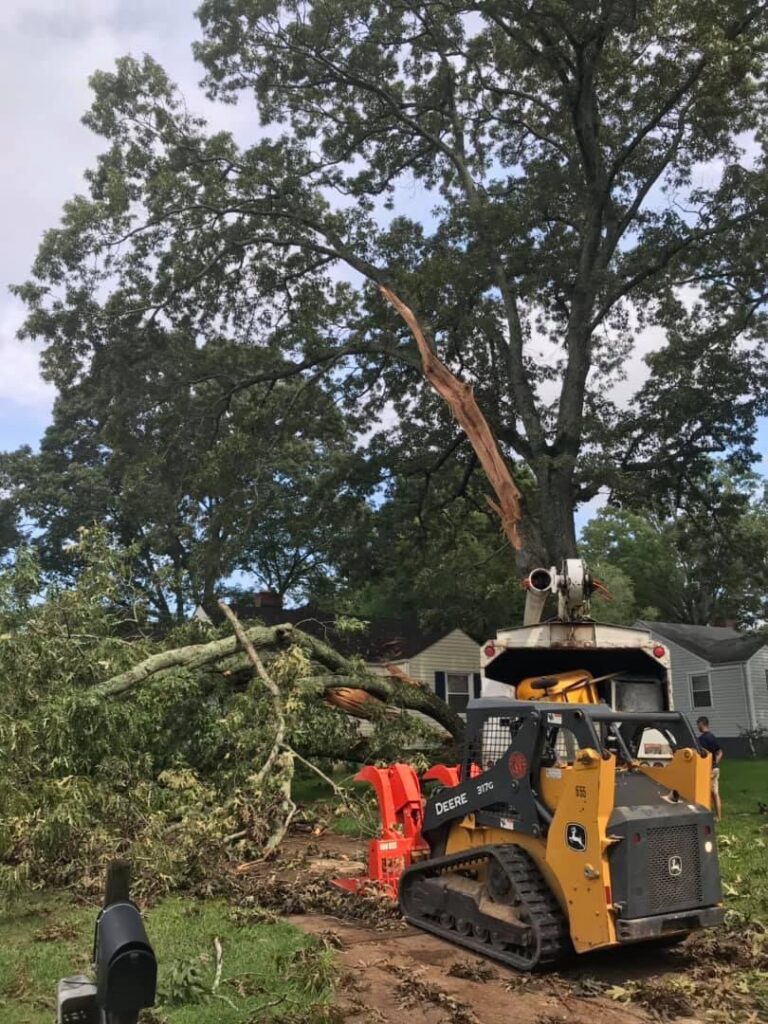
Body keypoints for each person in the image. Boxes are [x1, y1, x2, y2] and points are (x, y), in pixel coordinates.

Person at [696, 716, 723, 821]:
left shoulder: (702, 739)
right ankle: (718, 816)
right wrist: (715, 762)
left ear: (702, 724)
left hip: (708, 770)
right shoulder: (712, 736)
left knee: (705, 794)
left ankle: (706, 817)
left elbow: (700, 754)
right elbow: (720, 752)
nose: (697, 727)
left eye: (698, 724)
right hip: (715, 769)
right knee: (715, 793)